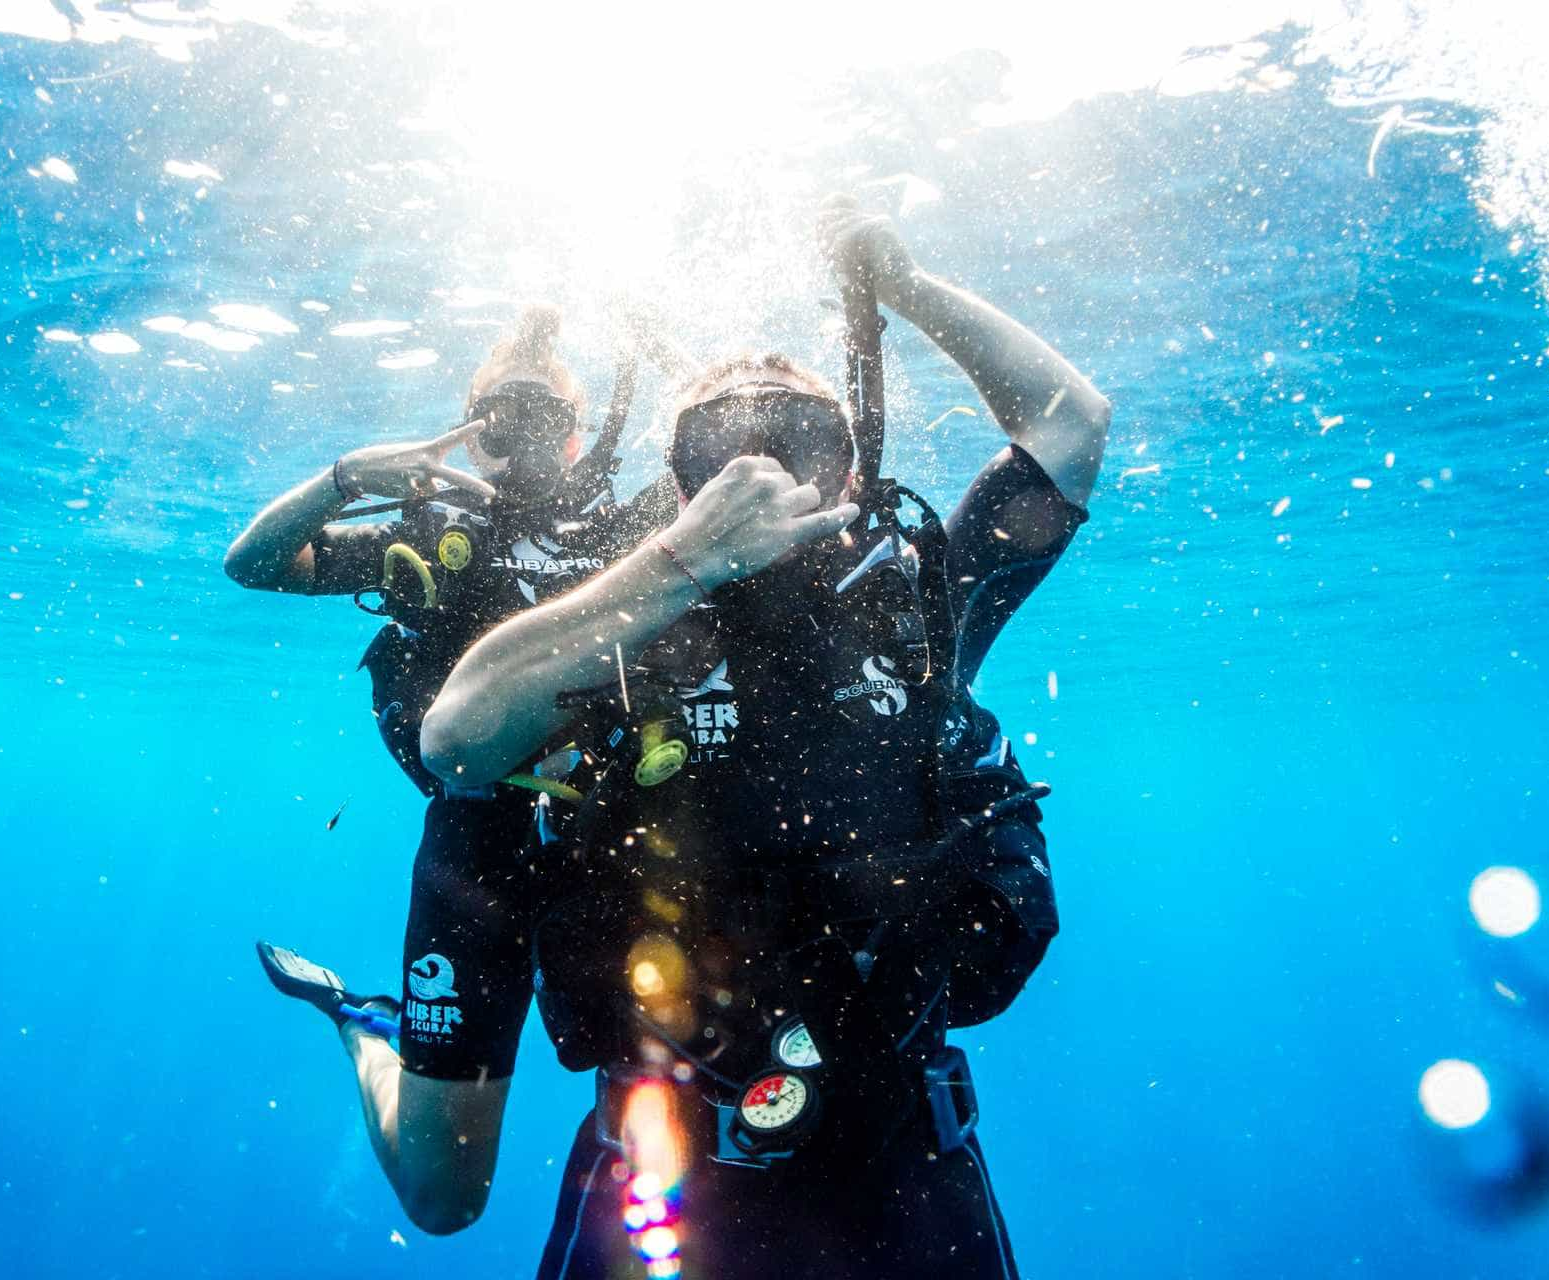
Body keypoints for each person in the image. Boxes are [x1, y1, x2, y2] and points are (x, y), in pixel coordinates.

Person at [409, 195, 1110, 1277]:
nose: (767, 468)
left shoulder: (914, 601)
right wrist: (681, 562)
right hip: (660, 1168)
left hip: (906, 1168)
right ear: (680, 482)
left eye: (800, 436)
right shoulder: (620, 621)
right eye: (725, 444)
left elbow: (1071, 424)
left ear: (852, 469)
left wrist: (909, 287)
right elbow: (455, 741)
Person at [225, 306, 676, 1233]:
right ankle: (368, 1025)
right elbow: (253, 564)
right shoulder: (429, 541)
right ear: (467, 437)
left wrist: (667, 350)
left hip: (625, 849)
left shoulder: (638, 532)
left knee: (664, 1103)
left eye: (542, 420)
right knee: (440, 1200)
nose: (521, 442)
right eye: (497, 422)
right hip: (477, 862)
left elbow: (745, 465)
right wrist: (346, 478)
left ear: (580, 431)